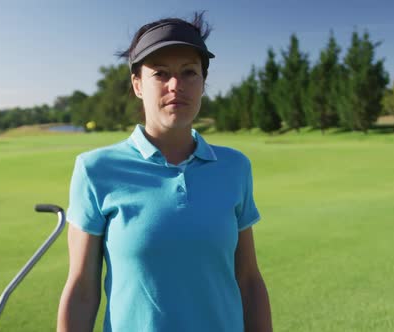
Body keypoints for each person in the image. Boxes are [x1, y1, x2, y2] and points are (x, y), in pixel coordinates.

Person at [57, 12, 272, 332]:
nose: (176, 85)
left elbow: (249, 280)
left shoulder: (235, 167)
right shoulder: (95, 170)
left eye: (189, 72)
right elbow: (82, 291)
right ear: (137, 84)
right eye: (160, 73)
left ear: (203, 83)